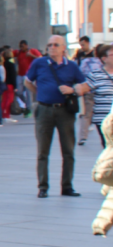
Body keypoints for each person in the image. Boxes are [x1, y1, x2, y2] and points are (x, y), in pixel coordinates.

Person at [26, 35, 91, 198]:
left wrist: (72, 90)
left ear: (64, 48)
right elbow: (27, 82)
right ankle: (43, 187)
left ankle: (67, 186)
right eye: (49, 45)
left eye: (56, 45)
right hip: (44, 110)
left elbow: (85, 86)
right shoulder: (39, 62)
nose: (51, 47)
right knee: (42, 151)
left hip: (65, 112)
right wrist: (39, 94)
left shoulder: (72, 66)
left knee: (68, 150)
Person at [88, 45, 113, 148]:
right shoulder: (95, 75)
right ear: (104, 58)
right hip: (103, 119)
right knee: (108, 148)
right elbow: (85, 89)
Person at [80, 44, 103, 146]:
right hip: (102, 92)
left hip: (88, 90)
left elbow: (80, 75)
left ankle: (83, 137)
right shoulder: (105, 63)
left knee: (86, 114)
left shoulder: (86, 61)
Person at [15, 40, 40, 117]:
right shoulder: (19, 52)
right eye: (20, 47)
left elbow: (40, 58)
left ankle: (28, 108)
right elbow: (10, 53)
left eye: (22, 46)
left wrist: (31, 55)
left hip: (29, 75)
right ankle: (27, 104)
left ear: (26, 45)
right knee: (19, 92)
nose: (21, 48)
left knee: (28, 93)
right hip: (20, 74)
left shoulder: (33, 51)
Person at [2, 47, 19, 122]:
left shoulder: (3, 64)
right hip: (10, 85)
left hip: (4, 84)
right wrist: (15, 86)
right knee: (9, 100)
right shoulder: (11, 65)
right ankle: (7, 115)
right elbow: (13, 76)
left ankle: (3, 114)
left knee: (4, 100)